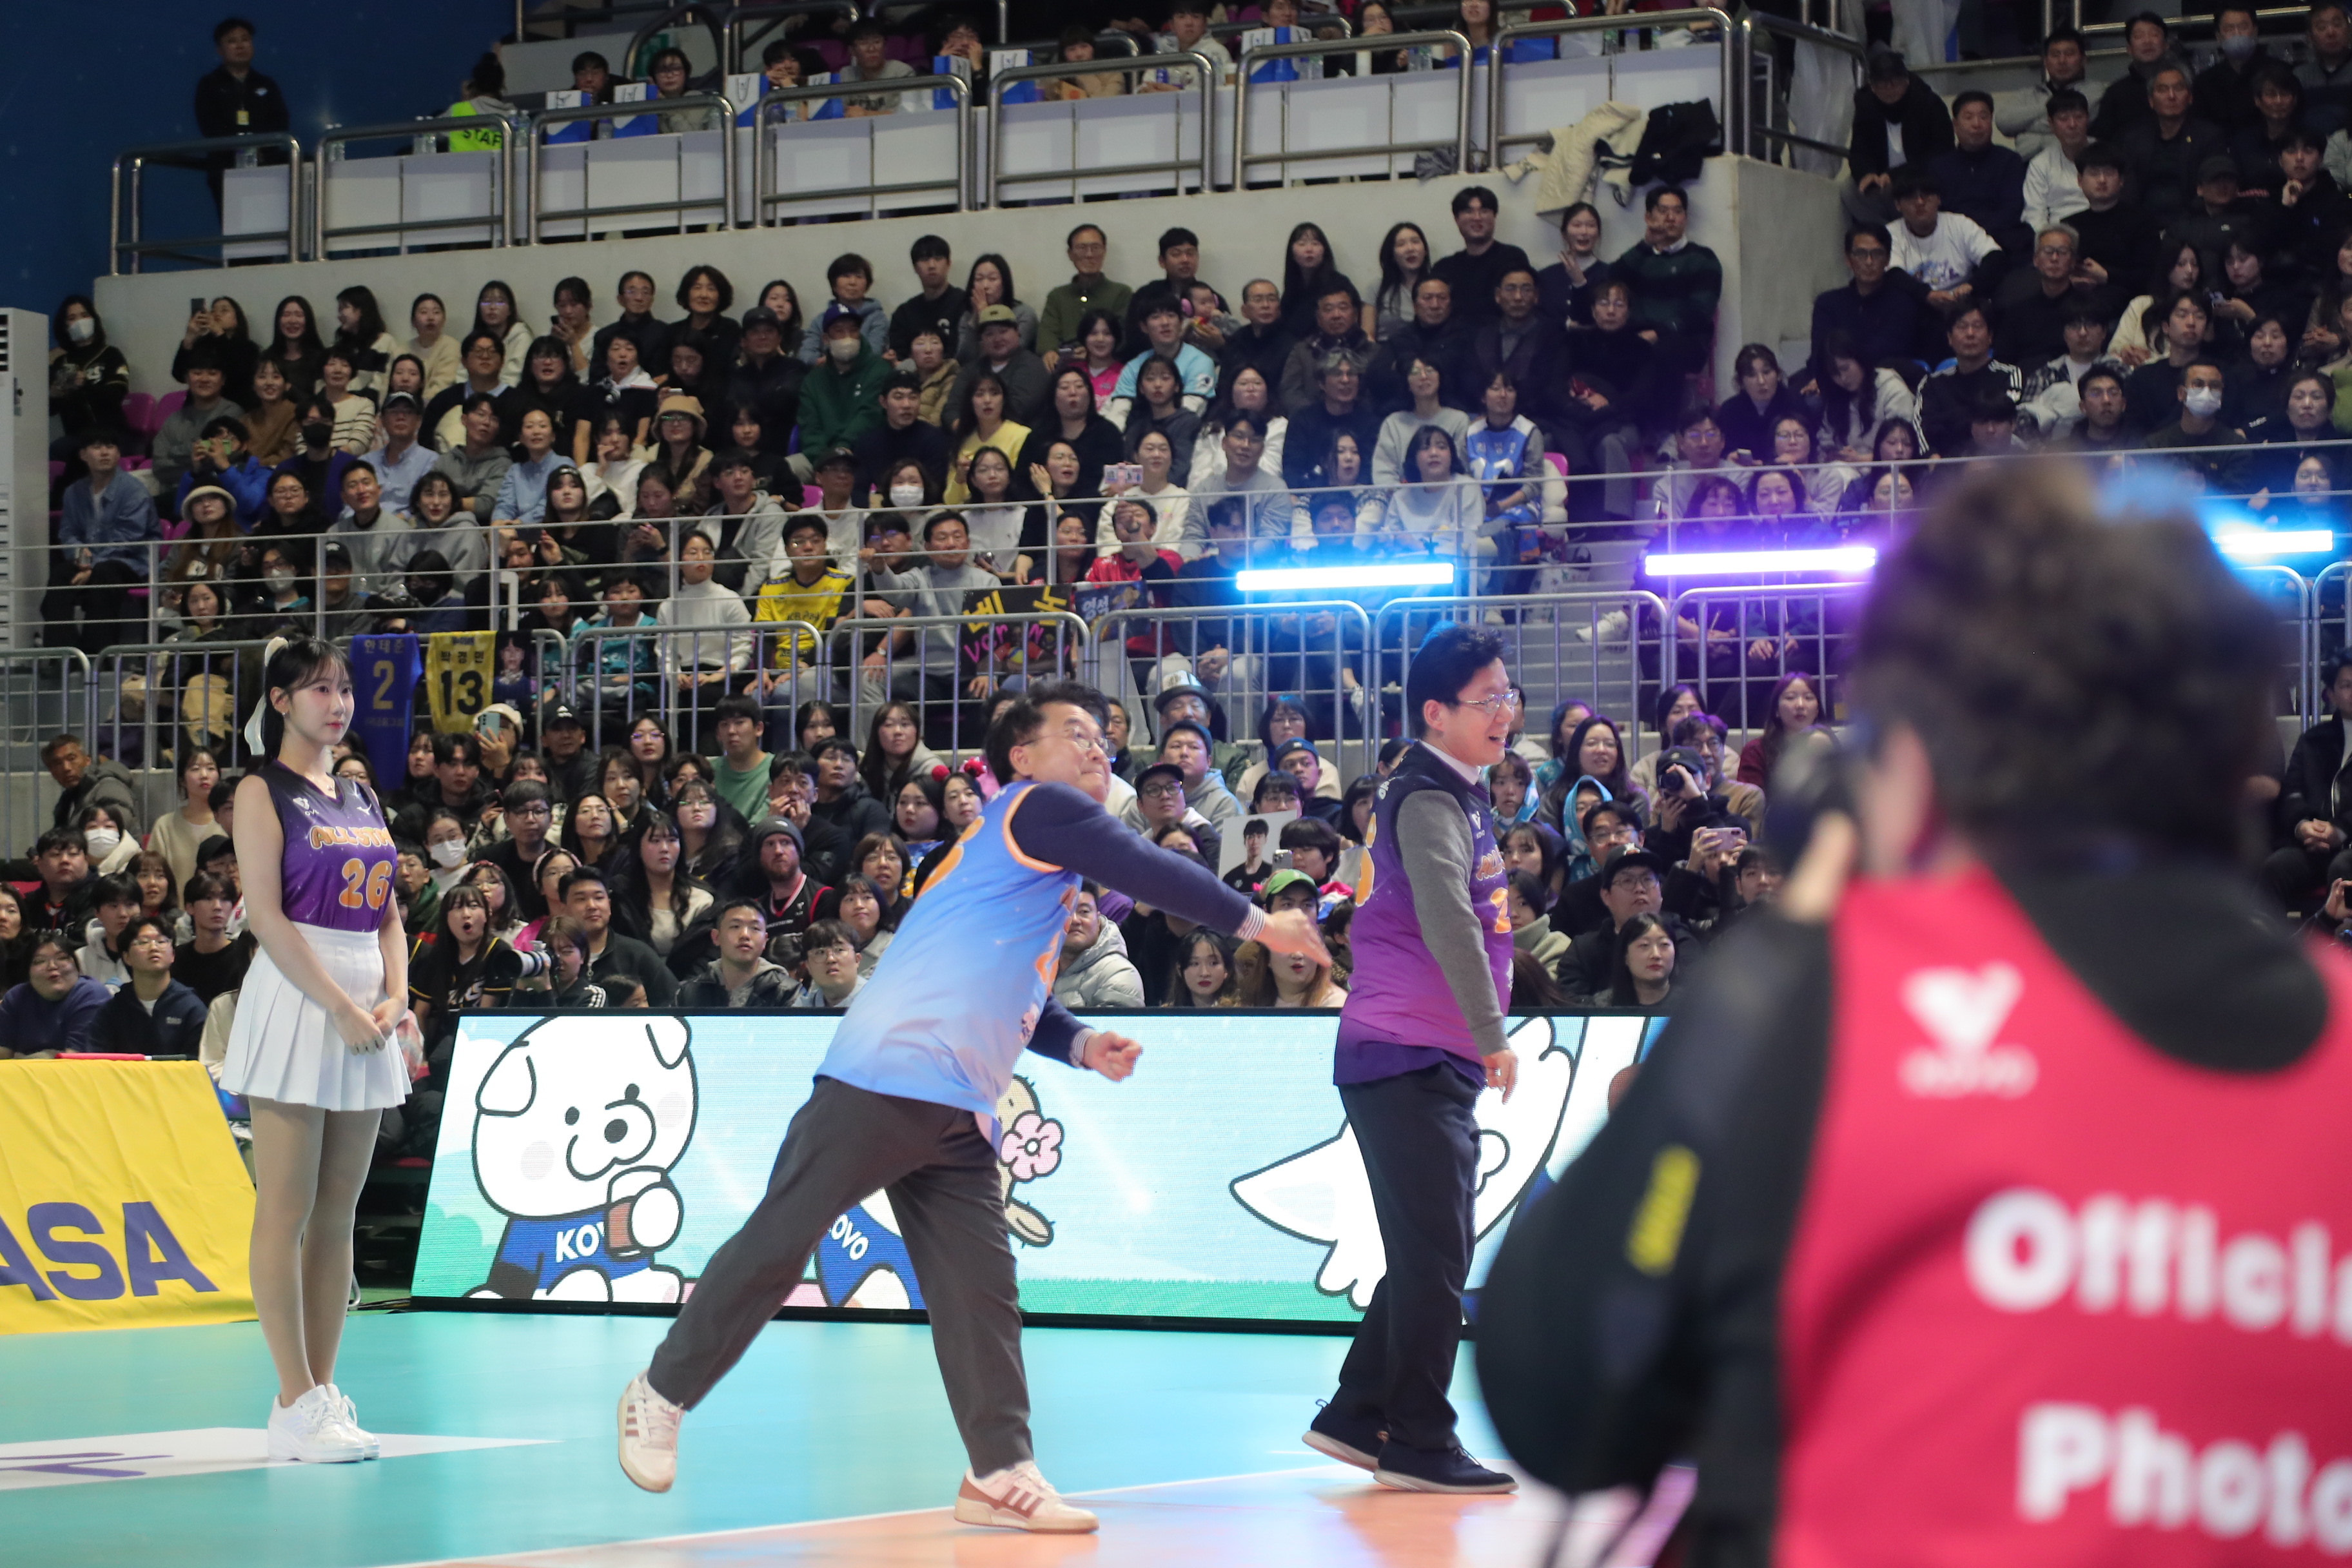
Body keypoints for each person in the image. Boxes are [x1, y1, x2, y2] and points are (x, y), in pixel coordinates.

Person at [1479, 458, 2345, 1565]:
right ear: (2237, 752)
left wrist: (1791, 940)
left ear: (1913, 766)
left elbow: (1559, 1392)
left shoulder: (1830, 1010)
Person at [617, 682, 1328, 1523]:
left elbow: (1012, 987)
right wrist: (1260, 923)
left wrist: (1079, 1044)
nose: (1099, 746)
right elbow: (1150, 867)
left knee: (981, 1293)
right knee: (782, 1241)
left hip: (959, 1107)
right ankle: (660, 1389)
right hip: (885, 1077)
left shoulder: (1028, 854)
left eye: (1104, 736)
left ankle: (999, 1473)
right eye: (1075, 733)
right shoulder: (1038, 810)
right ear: (1020, 759)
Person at [1298, 623, 1518, 1493]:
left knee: (1431, 1246)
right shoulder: (1428, 797)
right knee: (1436, 1253)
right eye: (1487, 698)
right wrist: (1494, 1033)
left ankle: (1358, 1415)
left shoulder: (1460, 795)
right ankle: (1421, 1439)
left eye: (1509, 695)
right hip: (1406, 1049)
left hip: (1425, 1050)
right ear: (1437, 711)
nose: (1505, 711)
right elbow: (1447, 917)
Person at [219, 636, 408, 1465]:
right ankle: (292, 1397)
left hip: (366, 998)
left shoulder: (361, 792)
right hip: (302, 997)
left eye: (343, 688)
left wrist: (396, 996)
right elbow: (264, 913)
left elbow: (390, 909)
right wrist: (336, 1006)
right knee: (285, 1208)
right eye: (317, 689)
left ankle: (321, 1395)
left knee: (339, 1213)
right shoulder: (260, 790)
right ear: (282, 701)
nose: (337, 702)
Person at [1614, 186, 1722, 380]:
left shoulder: (1703, 258)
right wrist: (1644, 246)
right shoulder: (1640, 257)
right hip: (1640, 336)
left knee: (1661, 352)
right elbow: (1609, 284)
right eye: (1663, 211)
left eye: (1678, 211)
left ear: (1685, 218)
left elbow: (1700, 313)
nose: (1671, 217)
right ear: (1649, 218)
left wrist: (1659, 332)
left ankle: (1653, 412)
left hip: (1685, 339)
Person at [1843, 46, 1955, 227]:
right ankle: (1887, 235)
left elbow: (1942, 152)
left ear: (1907, 81)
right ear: (1872, 86)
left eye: (1895, 81)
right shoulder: (1866, 106)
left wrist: (1896, 175)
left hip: (1922, 177)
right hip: (1883, 182)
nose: (1889, 88)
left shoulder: (1929, 104)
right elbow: (1859, 149)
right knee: (1850, 191)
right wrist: (1866, 173)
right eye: (1882, 83)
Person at [193, 16, 289, 209]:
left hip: (267, 169)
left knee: (271, 225)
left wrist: (262, 149)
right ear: (220, 51)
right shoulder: (210, 85)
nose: (240, 45)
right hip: (226, 170)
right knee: (237, 231)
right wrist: (239, 149)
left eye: (245, 39)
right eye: (232, 41)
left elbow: (280, 121)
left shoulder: (266, 84)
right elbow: (209, 125)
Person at [90, 915, 211, 1057]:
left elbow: (198, 1065)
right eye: (143, 942)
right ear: (127, 957)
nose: (154, 947)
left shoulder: (191, 1008)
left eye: (161, 941)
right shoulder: (112, 1011)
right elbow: (98, 1062)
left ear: (173, 955)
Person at [0, 935, 112, 1057]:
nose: (52, 966)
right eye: (40, 961)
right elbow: (3, 1053)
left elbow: (76, 1060)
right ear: (28, 971)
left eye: (62, 958)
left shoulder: (92, 994)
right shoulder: (16, 997)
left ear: (76, 964)